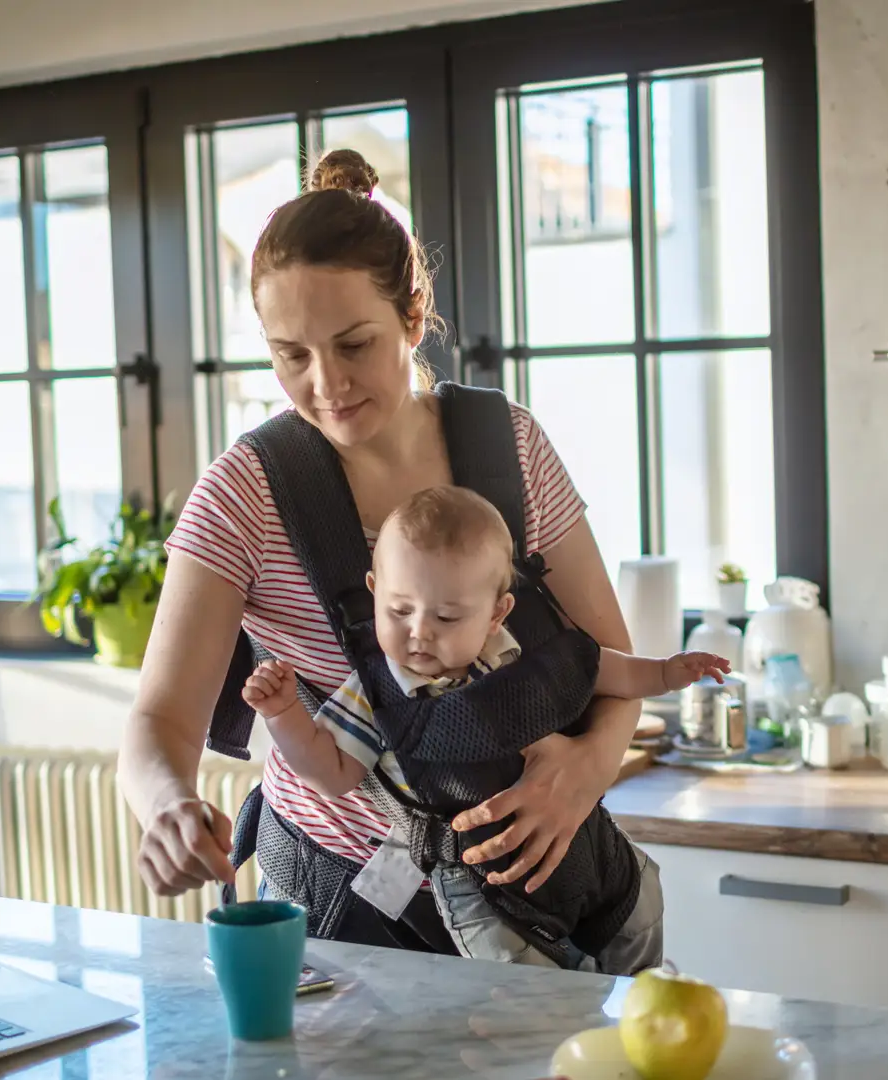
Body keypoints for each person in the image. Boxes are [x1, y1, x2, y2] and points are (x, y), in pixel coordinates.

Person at [116, 147, 652, 956]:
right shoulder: (244, 493)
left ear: (411, 317)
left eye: (354, 344)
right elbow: (159, 721)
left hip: (540, 891)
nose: (325, 382)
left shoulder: (508, 445)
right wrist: (165, 806)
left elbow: (610, 660)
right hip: (347, 912)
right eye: (291, 354)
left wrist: (581, 774)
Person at [241, 484, 727, 970]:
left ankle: (645, 1015)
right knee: (522, 989)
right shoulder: (376, 690)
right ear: (374, 592)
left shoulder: (512, 653)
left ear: (497, 614)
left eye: (447, 616)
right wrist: (283, 715)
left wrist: (666, 672)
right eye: (398, 610)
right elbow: (333, 774)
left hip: (577, 837)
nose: (419, 632)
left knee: (641, 905)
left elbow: (601, 669)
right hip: (473, 877)